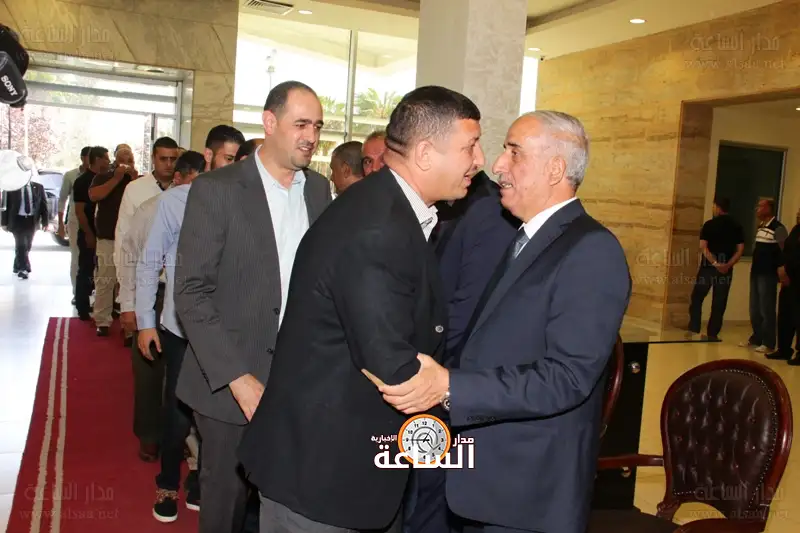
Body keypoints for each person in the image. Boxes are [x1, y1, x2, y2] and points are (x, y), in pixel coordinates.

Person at [238, 85, 484, 533]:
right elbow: (393, 366)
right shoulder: (377, 228)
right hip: (320, 480)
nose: (480, 160)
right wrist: (471, 393)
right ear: (425, 154)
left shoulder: (390, 207)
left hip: (344, 467)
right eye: (470, 146)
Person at [375, 111, 631, 533]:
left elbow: (566, 378)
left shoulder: (592, 250)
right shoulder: (529, 238)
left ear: (555, 169)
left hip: (529, 493)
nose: (496, 165)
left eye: (514, 152)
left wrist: (451, 385)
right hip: (490, 483)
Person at [174, 81, 331, 533]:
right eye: (301, 124)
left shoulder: (318, 190)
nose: (311, 136)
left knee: (284, 502)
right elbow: (191, 291)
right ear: (269, 122)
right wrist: (238, 379)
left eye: (317, 126)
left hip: (296, 379)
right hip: (228, 382)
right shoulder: (217, 189)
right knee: (226, 502)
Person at [403, 167, 518, 533]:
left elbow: (465, 317)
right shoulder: (454, 207)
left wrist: (423, 371)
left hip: (448, 388)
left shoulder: (490, 213)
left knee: (430, 508)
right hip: (435, 382)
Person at [135, 150, 206, 523]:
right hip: (180, 328)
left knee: (215, 413)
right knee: (177, 412)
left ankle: (201, 478)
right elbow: (150, 260)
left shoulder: (246, 200)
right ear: (210, 159)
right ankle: (166, 484)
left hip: (223, 331)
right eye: (228, 158)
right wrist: (145, 320)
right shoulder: (175, 201)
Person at [115, 136, 179, 462]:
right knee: (149, 370)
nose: (168, 164)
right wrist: (127, 305)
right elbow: (125, 251)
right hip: (149, 291)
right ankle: (149, 435)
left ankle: (177, 435)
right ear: (153, 158)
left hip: (181, 293)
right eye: (163, 158)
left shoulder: (191, 198)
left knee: (179, 373)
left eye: (173, 159)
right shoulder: (138, 194)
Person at [88, 146, 137, 336]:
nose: (127, 163)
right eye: (123, 159)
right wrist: (116, 178)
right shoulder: (104, 177)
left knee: (129, 281)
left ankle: (129, 327)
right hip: (108, 237)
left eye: (130, 159)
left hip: (130, 240)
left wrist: (133, 178)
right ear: (115, 162)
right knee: (105, 280)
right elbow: (94, 196)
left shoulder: (138, 181)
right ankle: (102, 320)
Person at [687, 196, 744, 340]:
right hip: (726, 269)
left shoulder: (709, 225)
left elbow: (703, 247)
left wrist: (715, 263)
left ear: (718, 208)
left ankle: (694, 328)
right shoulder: (737, 226)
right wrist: (728, 265)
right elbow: (740, 250)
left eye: (714, 206)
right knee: (719, 302)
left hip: (708, 267)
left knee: (697, 297)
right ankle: (713, 333)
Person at [740, 198, 787, 353]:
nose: (757, 209)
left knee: (766, 308)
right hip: (756, 272)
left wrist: (781, 269)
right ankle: (757, 337)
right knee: (754, 308)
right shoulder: (760, 227)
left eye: (760, 206)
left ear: (769, 208)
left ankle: (768, 342)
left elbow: (784, 250)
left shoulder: (778, 228)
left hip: (768, 274)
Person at [72, 146, 110, 320]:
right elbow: (79, 211)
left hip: (104, 232)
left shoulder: (106, 179)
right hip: (89, 231)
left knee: (103, 272)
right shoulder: (82, 181)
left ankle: (103, 306)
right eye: (106, 158)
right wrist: (88, 233)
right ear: (97, 159)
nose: (108, 162)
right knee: (86, 268)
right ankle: (82, 306)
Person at [1, 177, 48, 279]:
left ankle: (17, 266)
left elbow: (43, 205)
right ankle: (24, 269)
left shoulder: (38, 187)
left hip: (31, 221)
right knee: (21, 244)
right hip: (17, 220)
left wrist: (45, 222)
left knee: (28, 245)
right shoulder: (11, 187)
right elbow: (5, 205)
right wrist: (3, 222)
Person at [58, 146, 90, 297]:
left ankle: (89, 291)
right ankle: (76, 292)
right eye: (89, 157)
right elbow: (62, 199)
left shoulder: (99, 176)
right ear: (82, 158)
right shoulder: (71, 175)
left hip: (93, 221)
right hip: (75, 221)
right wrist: (60, 224)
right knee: (76, 257)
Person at [772, 207, 800, 364]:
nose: (798, 214)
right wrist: (782, 267)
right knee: (785, 315)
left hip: (797, 279)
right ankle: (784, 349)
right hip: (788, 279)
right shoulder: (796, 230)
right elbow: (786, 251)